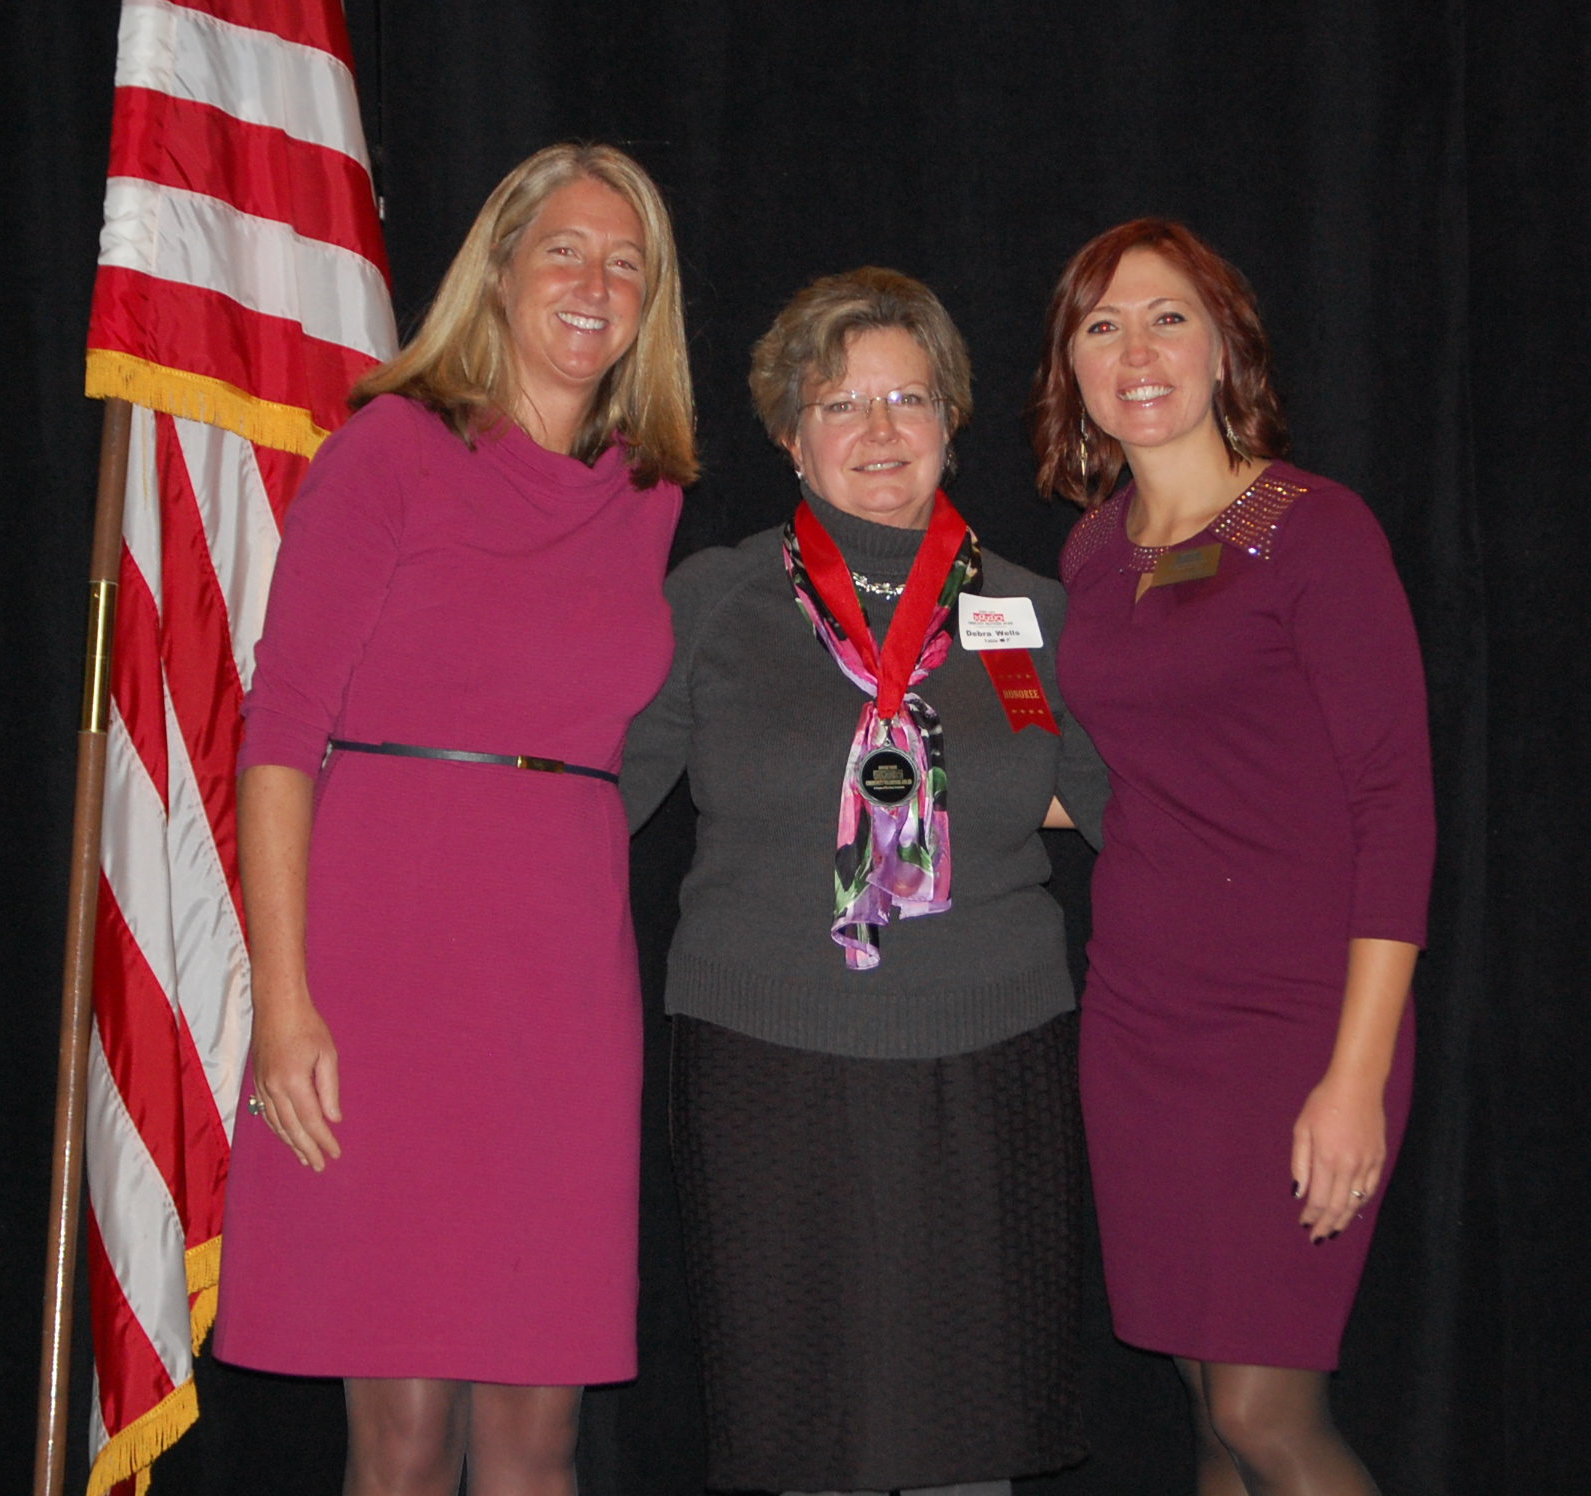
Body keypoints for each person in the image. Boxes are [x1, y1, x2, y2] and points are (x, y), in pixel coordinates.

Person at [213, 143, 696, 1496]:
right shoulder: (390, 450)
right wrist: (286, 1002)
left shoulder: (650, 495)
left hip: (559, 993)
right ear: (497, 269)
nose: (594, 283)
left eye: (626, 262)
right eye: (565, 249)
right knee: (407, 1437)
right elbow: (281, 739)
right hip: (384, 976)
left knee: (540, 1440)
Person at [622, 267, 1109, 1496]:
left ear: (951, 419)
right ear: (790, 435)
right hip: (764, 1060)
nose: (881, 432)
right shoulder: (711, 600)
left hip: (989, 1058)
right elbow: (585, 802)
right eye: (842, 404)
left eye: (908, 398)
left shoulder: (1030, 614)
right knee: (809, 1442)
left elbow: (1132, 808)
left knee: (968, 1450)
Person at [1030, 219, 1435, 1496]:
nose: (1134, 350)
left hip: (1296, 1022)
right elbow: (1108, 781)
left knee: (1266, 1409)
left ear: (1222, 349)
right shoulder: (1093, 557)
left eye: (1166, 317)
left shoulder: (1310, 528)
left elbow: (1396, 805)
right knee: (1206, 1409)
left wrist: (1354, 1076)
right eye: (1102, 325)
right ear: (1073, 370)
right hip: (1143, 1022)